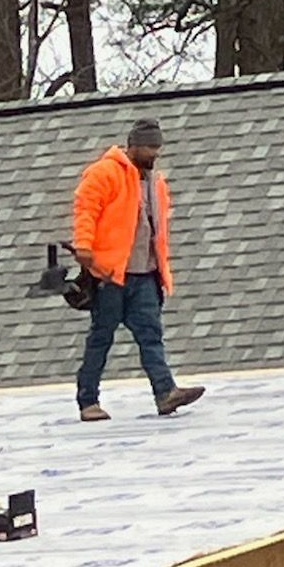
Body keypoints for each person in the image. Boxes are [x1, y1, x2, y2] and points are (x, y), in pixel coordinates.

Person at [71, 117, 205, 422]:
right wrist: (85, 247)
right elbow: (86, 207)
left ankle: (165, 393)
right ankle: (88, 400)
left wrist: (160, 268)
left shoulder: (156, 183)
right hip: (110, 273)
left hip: (145, 273)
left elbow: (157, 229)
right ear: (132, 146)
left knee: (151, 335)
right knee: (101, 337)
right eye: (149, 148)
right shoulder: (105, 172)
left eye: (157, 148)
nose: (154, 154)